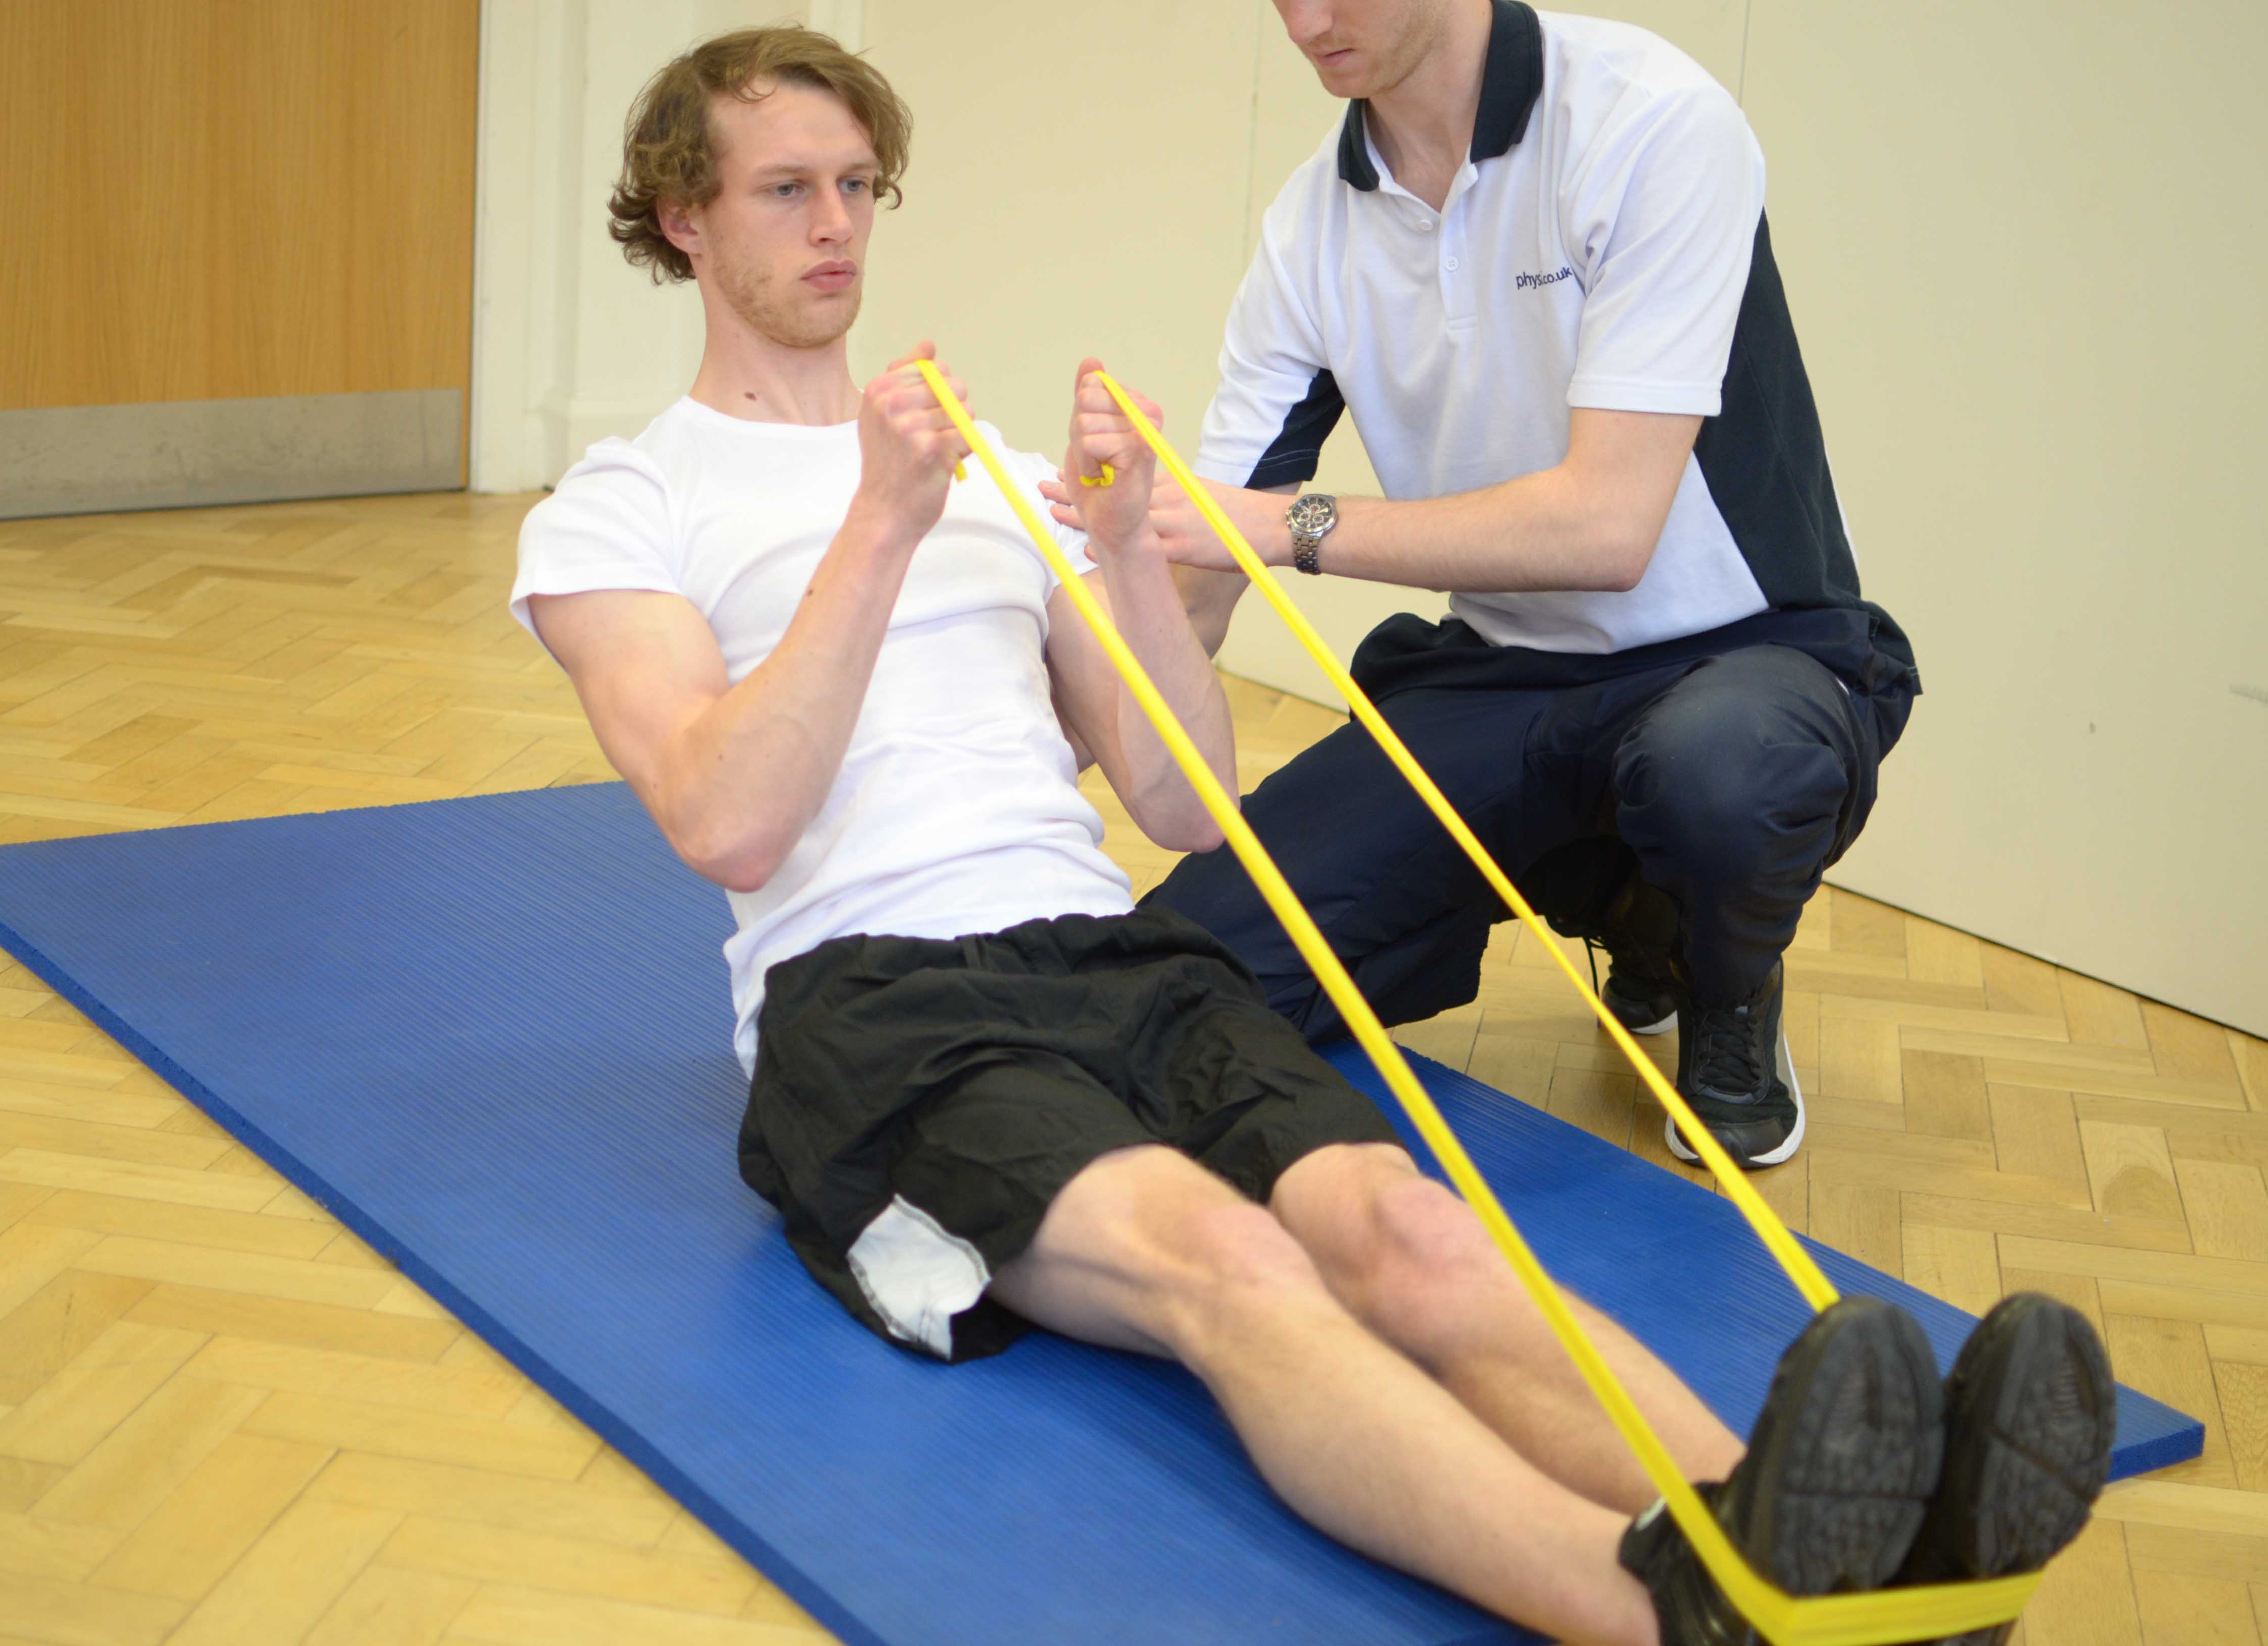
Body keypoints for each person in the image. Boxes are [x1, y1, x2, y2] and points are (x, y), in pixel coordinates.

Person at [510, 26, 2110, 1646]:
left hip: (1105, 951)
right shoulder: (625, 502)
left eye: (857, 184)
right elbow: (727, 817)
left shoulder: (982, 475)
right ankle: (1689, 1620)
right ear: (682, 221)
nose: (838, 222)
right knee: (1241, 1273)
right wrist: (879, 523)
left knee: (1413, 1234)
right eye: (786, 189)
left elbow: (1177, 799)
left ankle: (1859, 1563)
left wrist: (1128, 549)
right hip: (875, 1002)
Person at [1098, 0, 1916, 1174]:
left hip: (1746, 656)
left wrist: (1290, 527)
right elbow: (1201, 574)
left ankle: (1721, 982)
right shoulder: (1306, 229)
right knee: (1177, 974)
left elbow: (1605, 529)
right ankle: (1633, 901)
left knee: (1720, 774)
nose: (1305, 19)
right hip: (1500, 679)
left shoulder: (1655, 122)